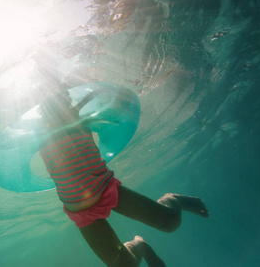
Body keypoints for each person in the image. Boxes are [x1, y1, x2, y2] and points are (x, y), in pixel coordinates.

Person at [38, 90, 208, 267]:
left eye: (61, 105)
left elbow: (102, 112)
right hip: (81, 214)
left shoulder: (78, 117)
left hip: (106, 189)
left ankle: (173, 199)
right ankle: (140, 246)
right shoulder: (38, 136)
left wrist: (91, 102)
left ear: (68, 105)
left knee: (170, 223)